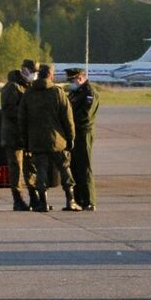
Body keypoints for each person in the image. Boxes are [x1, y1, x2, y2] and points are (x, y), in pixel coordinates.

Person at [18, 63, 79, 212]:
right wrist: (71, 137)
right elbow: (67, 117)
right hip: (57, 140)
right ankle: (70, 201)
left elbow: (22, 119)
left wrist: (25, 139)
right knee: (64, 169)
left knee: (41, 170)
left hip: (36, 140)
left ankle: (43, 203)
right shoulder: (57, 92)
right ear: (51, 75)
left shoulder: (29, 93)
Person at [0, 67, 35, 211]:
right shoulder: (12, 87)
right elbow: (8, 110)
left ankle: (34, 197)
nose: (34, 75)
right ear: (24, 71)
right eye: (32, 71)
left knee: (30, 167)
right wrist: (27, 112)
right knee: (16, 168)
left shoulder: (27, 87)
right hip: (13, 135)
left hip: (25, 135)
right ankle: (18, 199)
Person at [66, 67, 99, 212]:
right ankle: (78, 200)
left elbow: (85, 115)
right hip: (73, 133)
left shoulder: (89, 93)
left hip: (83, 133)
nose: (71, 83)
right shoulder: (74, 92)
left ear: (80, 78)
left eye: (72, 80)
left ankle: (89, 200)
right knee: (74, 167)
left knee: (84, 167)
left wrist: (70, 122)